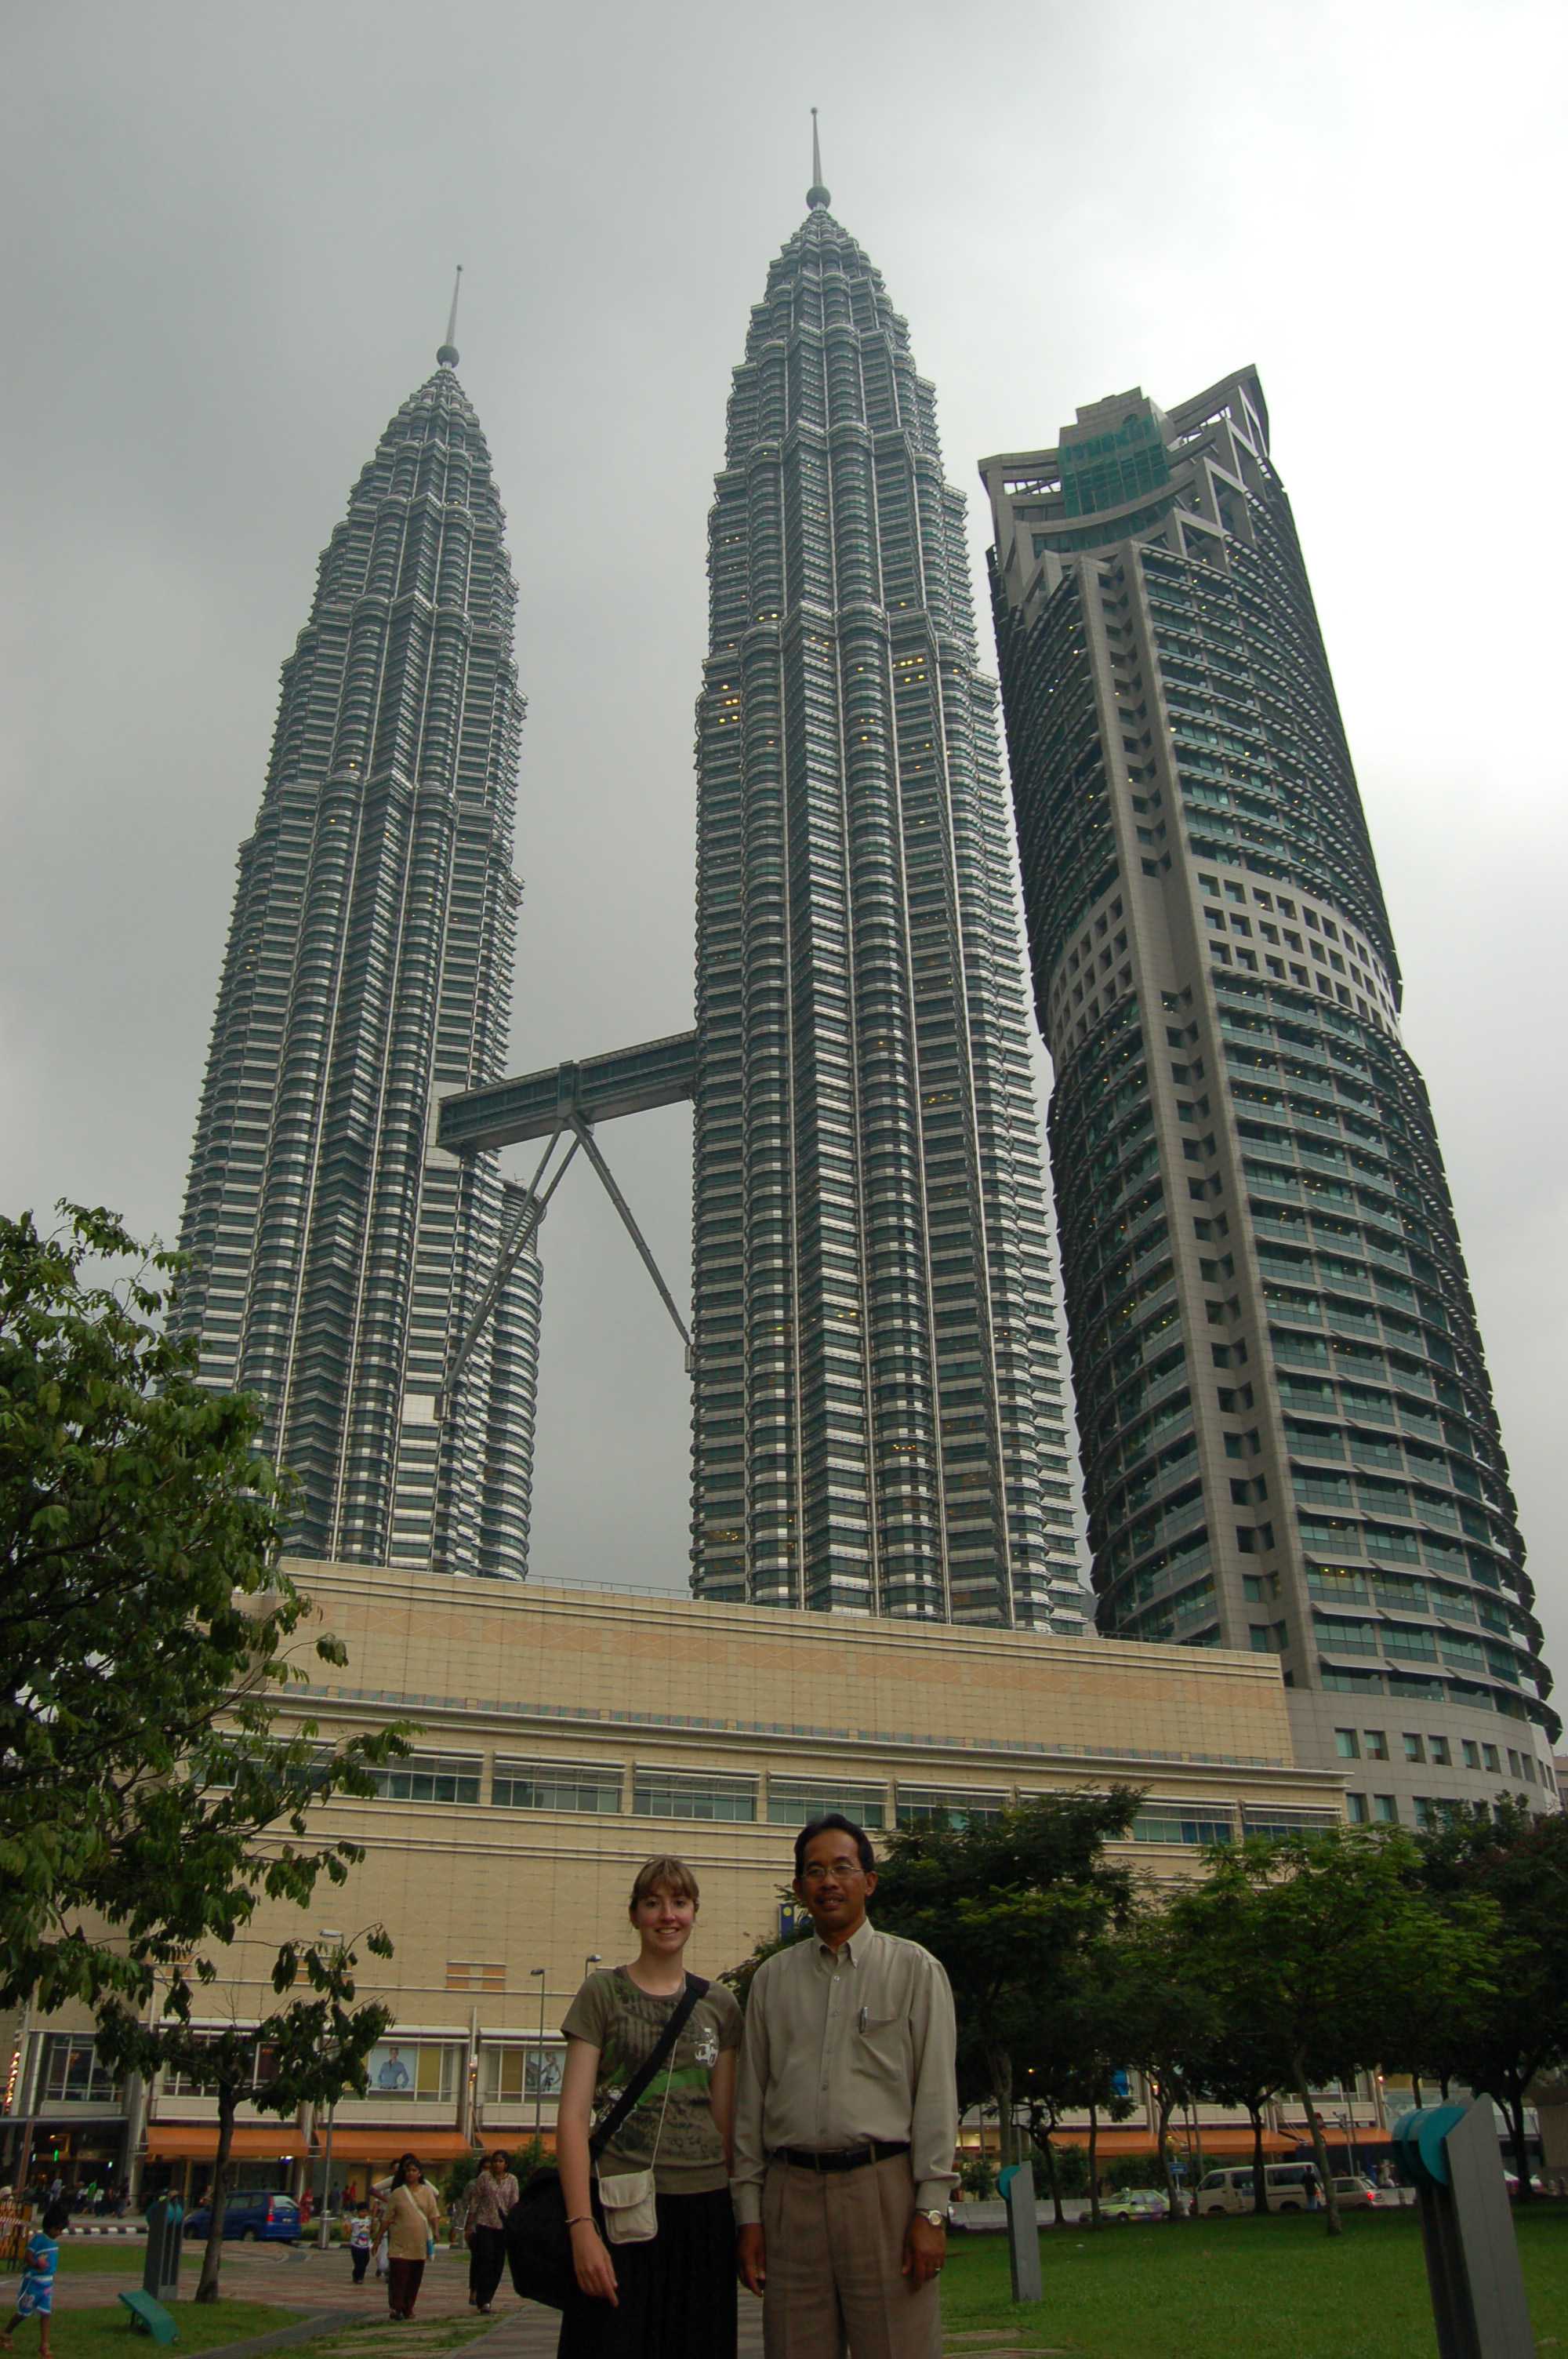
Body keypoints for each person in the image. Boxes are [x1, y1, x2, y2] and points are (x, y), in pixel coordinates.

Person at [734, 1813, 958, 2359]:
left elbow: (935, 2098)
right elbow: (750, 2104)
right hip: (792, 2200)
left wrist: (931, 2211)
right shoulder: (771, 1980)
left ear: (869, 1882)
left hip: (883, 2193)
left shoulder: (915, 1970)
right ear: (799, 1888)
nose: (828, 1881)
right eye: (814, 1871)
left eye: (842, 1868)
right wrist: (750, 2214)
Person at [556, 1853, 744, 2358]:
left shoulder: (720, 2005)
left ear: (695, 1912)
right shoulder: (603, 1993)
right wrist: (581, 2228)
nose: (668, 1915)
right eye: (654, 1902)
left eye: (680, 1903)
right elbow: (573, 2120)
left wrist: (745, 2219)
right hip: (622, 2205)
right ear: (635, 1913)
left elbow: (726, 2124)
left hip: (705, 2209)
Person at [2, 2200, 70, 2359]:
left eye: (62, 2229)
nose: (59, 2233)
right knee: (24, 2313)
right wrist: (36, 2264)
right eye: (58, 2229)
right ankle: (6, 2333)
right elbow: (27, 2256)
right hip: (33, 2283)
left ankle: (44, 2346)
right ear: (49, 2226)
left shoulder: (54, 2241)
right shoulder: (39, 2239)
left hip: (47, 2285)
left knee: (46, 2313)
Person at [376, 2154, 440, 2321]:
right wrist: (377, 2240)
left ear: (420, 2173)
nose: (411, 2173)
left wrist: (437, 2231)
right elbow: (387, 2219)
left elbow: (433, 2214)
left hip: (419, 2243)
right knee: (399, 2276)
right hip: (399, 2243)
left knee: (414, 2277)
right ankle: (397, 2308)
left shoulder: (427, 2192)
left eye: (414, 2170)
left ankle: (408, 2307)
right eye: (408, 2170)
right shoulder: (397, 2193)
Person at [465, 2150, 518, 2315]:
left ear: (506, 2164)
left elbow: (514, 2203)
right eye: (495, 2161)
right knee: (485, 2261)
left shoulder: (512, 2180)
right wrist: (469, 2224)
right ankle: (482, 2299)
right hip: (485, 2223)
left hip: (502, 2227)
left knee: (498, 2263)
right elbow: (476, 2200)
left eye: (501, 2161)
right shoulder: (484, 2178)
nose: (497, 2164)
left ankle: (489, 2297)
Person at [348, 2206, 373, 2284]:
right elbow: (348, 2229)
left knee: (366, 2261)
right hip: (356, 2245)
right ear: (358, 2212)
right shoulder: (354, 2221)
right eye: (362, 2211)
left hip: (366, 2245)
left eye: (366, 2211)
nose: (364, 2213)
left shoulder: (369, 2220)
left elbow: (372, 2230)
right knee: (359, 2263)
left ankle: (358, 2273)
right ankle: (358, 2277)